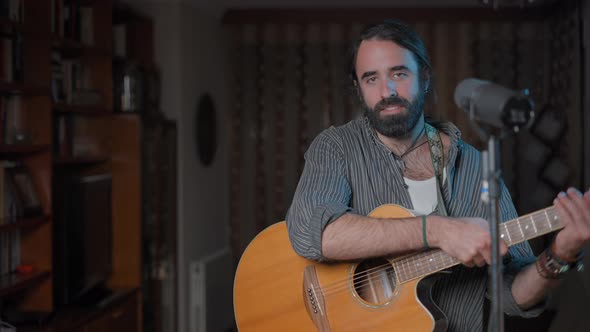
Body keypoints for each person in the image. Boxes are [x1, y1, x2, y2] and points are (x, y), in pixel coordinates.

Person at [285, 19, 590, 331]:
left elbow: (511, 295)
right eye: (371, 79)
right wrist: (441, 231)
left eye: (399, 74)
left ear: (425, 76)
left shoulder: (475, 166)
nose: (386, 91)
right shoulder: (337, 147)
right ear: (358, 88)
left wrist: (560, 255)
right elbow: (313, 234)